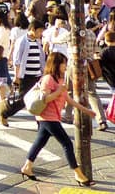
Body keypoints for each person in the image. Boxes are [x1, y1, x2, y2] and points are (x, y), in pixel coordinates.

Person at [19, 52, 97, 186]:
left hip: (52, 117)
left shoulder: (60, 79)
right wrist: (58, 91)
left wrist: (86, 110)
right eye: (63, 63)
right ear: (56, 64)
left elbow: (68, 100)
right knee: (67, 143)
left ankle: (27, 167)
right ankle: (78, 174)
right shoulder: (48, 79)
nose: (65, 66)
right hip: (47, 117)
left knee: (39, 143)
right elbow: (45, 98)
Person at [0, 18, 45, 127]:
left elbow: (41, 58)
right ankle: (5, 113)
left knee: (38, 99)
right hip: (25, 75)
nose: (40, 34)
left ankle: (41, 124)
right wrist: (17, 75)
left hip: (37, 75)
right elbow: (17, 60)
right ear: (33, 29)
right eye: (39, 31)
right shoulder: (22, 41)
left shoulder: (38, 42)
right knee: (22, 100)